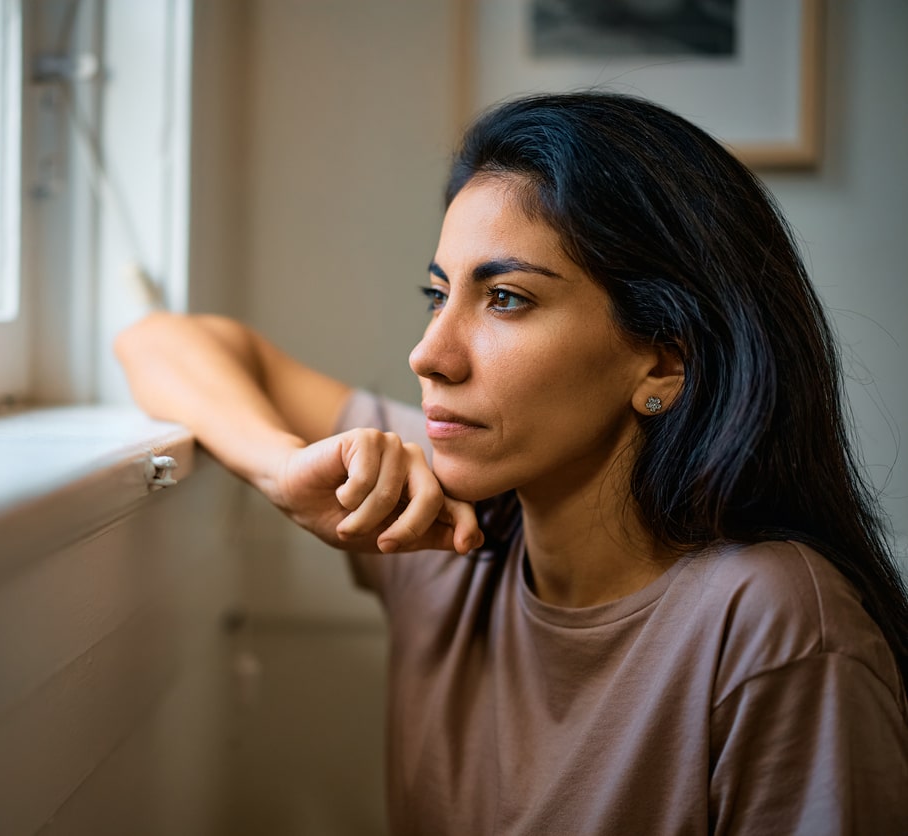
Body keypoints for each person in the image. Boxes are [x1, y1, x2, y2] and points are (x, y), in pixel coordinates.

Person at [115, 92, 908, 834]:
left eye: (506, 300)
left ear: (664, 362)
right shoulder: (443, 533)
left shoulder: (775, 624)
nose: (430, 354)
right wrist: (283, 472)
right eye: (439, 295)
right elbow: (160, 342)